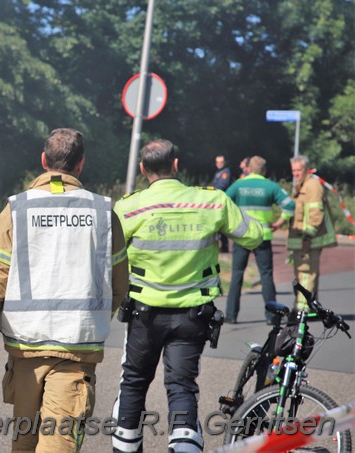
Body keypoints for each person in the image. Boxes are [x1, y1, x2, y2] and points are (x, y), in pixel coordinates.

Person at [0, 128, 129, 452]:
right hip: (76, 348)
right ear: (81, 164)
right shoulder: (103, 213)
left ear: (43, 161)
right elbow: (119, 286)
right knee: (59, 443)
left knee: (24, 443)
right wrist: (91, 318)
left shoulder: (16, 209)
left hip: (25, 348)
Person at [112, 140, 262, 453]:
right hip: (192, 316)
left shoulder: (128, 207)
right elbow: (255, 235)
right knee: (181, 387)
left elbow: (105, 257)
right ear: (176, 165)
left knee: (134, 384)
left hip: (144, 317)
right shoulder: (212, 201)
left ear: (143, 170)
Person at [225, 156, 295, 324]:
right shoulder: (270, 186)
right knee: (266, 275)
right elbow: (290, 206)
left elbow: (223, 203)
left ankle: (231, 315)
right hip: (263, 236)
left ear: (248, 168)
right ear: (264, 170)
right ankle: (272, 317)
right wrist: (279, 223)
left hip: (241, 235)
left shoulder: (238, 185)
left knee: (237, 275)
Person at [287, 155, 337, 311]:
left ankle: (302, 309)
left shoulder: (312, 186)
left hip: (308, 239)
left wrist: (307, 237)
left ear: (307, 169)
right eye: (293, 170)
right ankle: (311, 306)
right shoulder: (302, 185)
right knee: (303, 272)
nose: (295, 173)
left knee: (306, 273)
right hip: (301, 238)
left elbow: (315, 213)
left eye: (298, 170)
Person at [212, 155, 232, 252]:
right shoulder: (218, 172)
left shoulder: (225, 172)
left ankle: (224, 246)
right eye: (217, 162)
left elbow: (222, 185)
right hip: (218, 200)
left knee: (222, 224)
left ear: (224, 162)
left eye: (221, 162)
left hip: (222, 201)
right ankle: (223, 245)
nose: (219, 164)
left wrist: (211, 189)